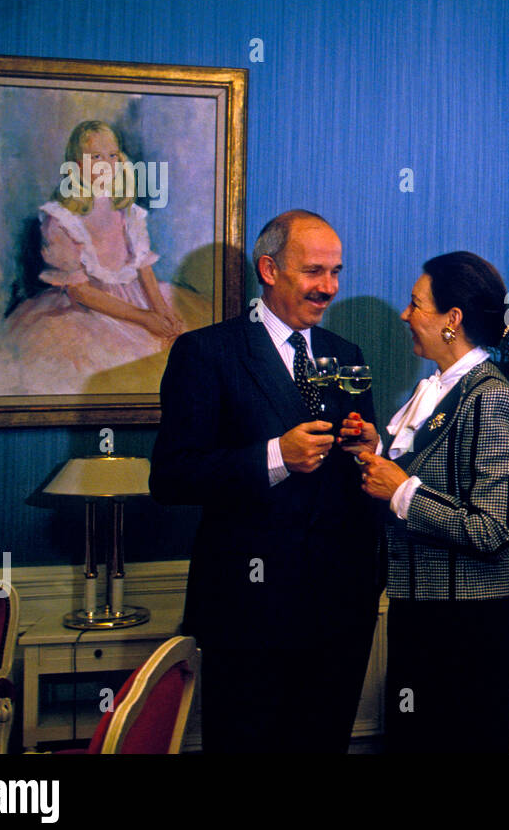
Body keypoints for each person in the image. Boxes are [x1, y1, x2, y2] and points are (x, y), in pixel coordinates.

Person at [150, 210, 382, 753]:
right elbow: (172, 477)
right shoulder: (205, 353)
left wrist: (369, 448)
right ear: (269, 269)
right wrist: (277, 454)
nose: (329, 288)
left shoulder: (347, 355)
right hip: (248, 615)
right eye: (314, 272)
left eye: (337, 272)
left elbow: (355, 481)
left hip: (340, 613)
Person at [344, 251, 509, 753]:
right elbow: (428, 476)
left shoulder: (490, 397)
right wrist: (374, 456)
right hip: (424, 613)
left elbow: (492, 531)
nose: (406, 314)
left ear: (453, 320)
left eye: (416, 304)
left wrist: (401, 490)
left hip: (467, 626)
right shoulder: (443, 389)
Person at [0, 120, 204, 395]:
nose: (106, 164)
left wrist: (161, 312)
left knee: (181, 344)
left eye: (112, 156)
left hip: (136, 297)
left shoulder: (127, 210)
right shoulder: (62, 219)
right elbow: (80, 292)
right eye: (96, 157)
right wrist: (144, 318)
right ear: (76, 164)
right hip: (89, 307)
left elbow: (143, 267)